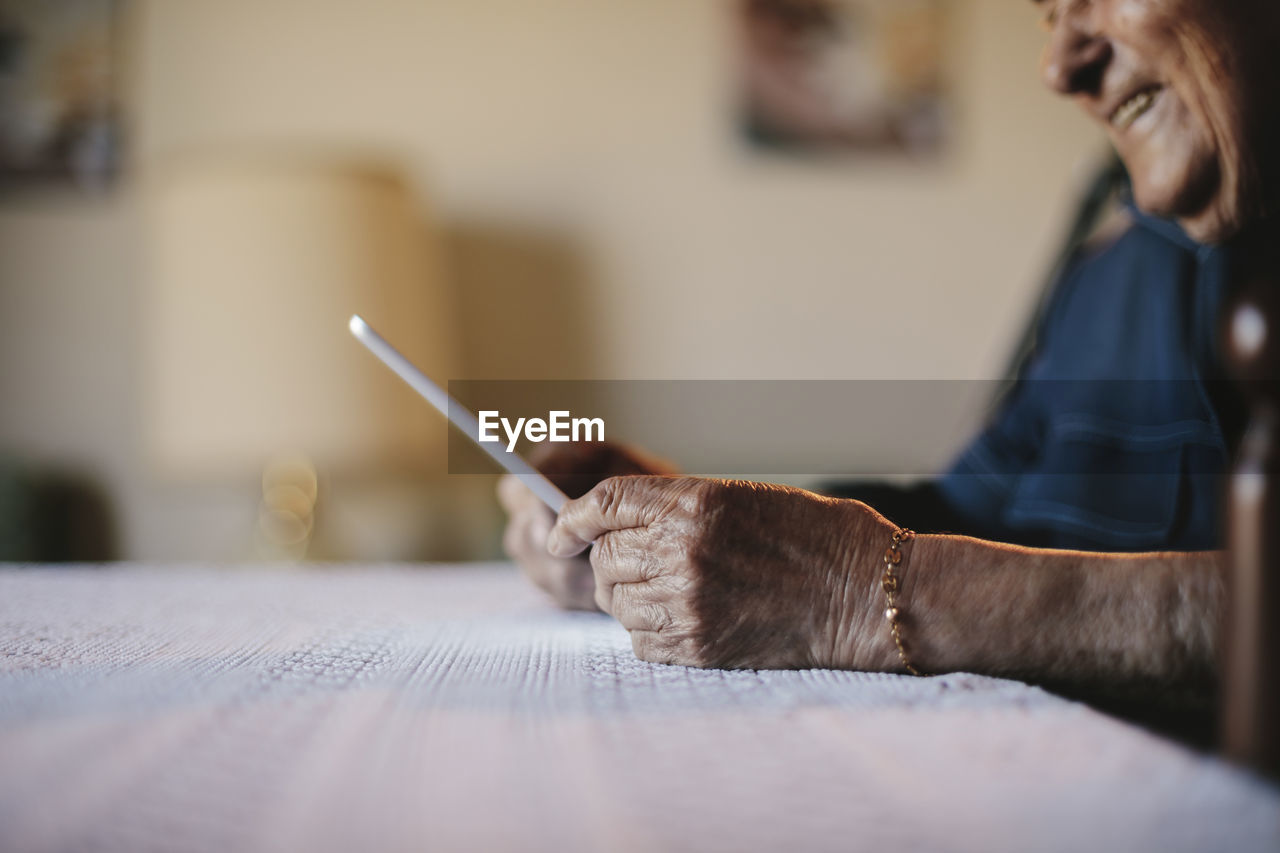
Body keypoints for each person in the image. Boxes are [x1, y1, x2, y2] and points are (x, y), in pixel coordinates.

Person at [498, 0, 1280, 694]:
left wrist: (868, 595)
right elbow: (968, 512)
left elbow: (891, 574)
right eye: (1047, 14)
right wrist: (670, 532)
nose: (1059, 66)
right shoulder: (1112, 270)